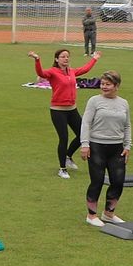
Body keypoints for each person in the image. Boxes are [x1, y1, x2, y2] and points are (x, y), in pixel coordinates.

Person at [29, 48, 100, 179]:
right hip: (58, 110)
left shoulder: (71, 71)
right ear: (57, 59)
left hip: (72, 109)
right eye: (62, 57)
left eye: (67, 56)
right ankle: (62, 169)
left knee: (83, 134)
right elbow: (41, 73)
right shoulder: (53, 72)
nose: (66, 59)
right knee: (64, 138)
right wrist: (37, 59)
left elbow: (85, 69)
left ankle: (68, 156)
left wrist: (94, 59)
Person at [80, 70, 131, 227]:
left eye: (108, 84)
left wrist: (128, 145)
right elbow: (86, 123)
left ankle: (109, 213)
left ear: (116, 86)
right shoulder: (94, 101)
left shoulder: (124, 103)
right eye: (102, 84)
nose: (104, 86)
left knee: (118, 181)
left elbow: (127, 125)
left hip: (117, 148)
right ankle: (91, 215)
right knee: (97, 181)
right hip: (96, 146)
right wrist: (85, 144)